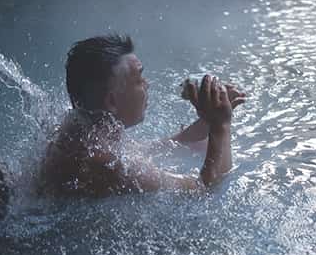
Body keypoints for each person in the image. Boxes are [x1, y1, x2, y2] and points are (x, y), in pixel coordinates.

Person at [39, 34, 245, 196]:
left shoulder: (83, 127)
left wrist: (208, 119)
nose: (148, 84)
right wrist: (221, 125)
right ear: (111, 101)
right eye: (139, 79)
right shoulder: (104, 162)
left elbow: (152, 148)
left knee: (198, 145)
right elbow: (206, 191)